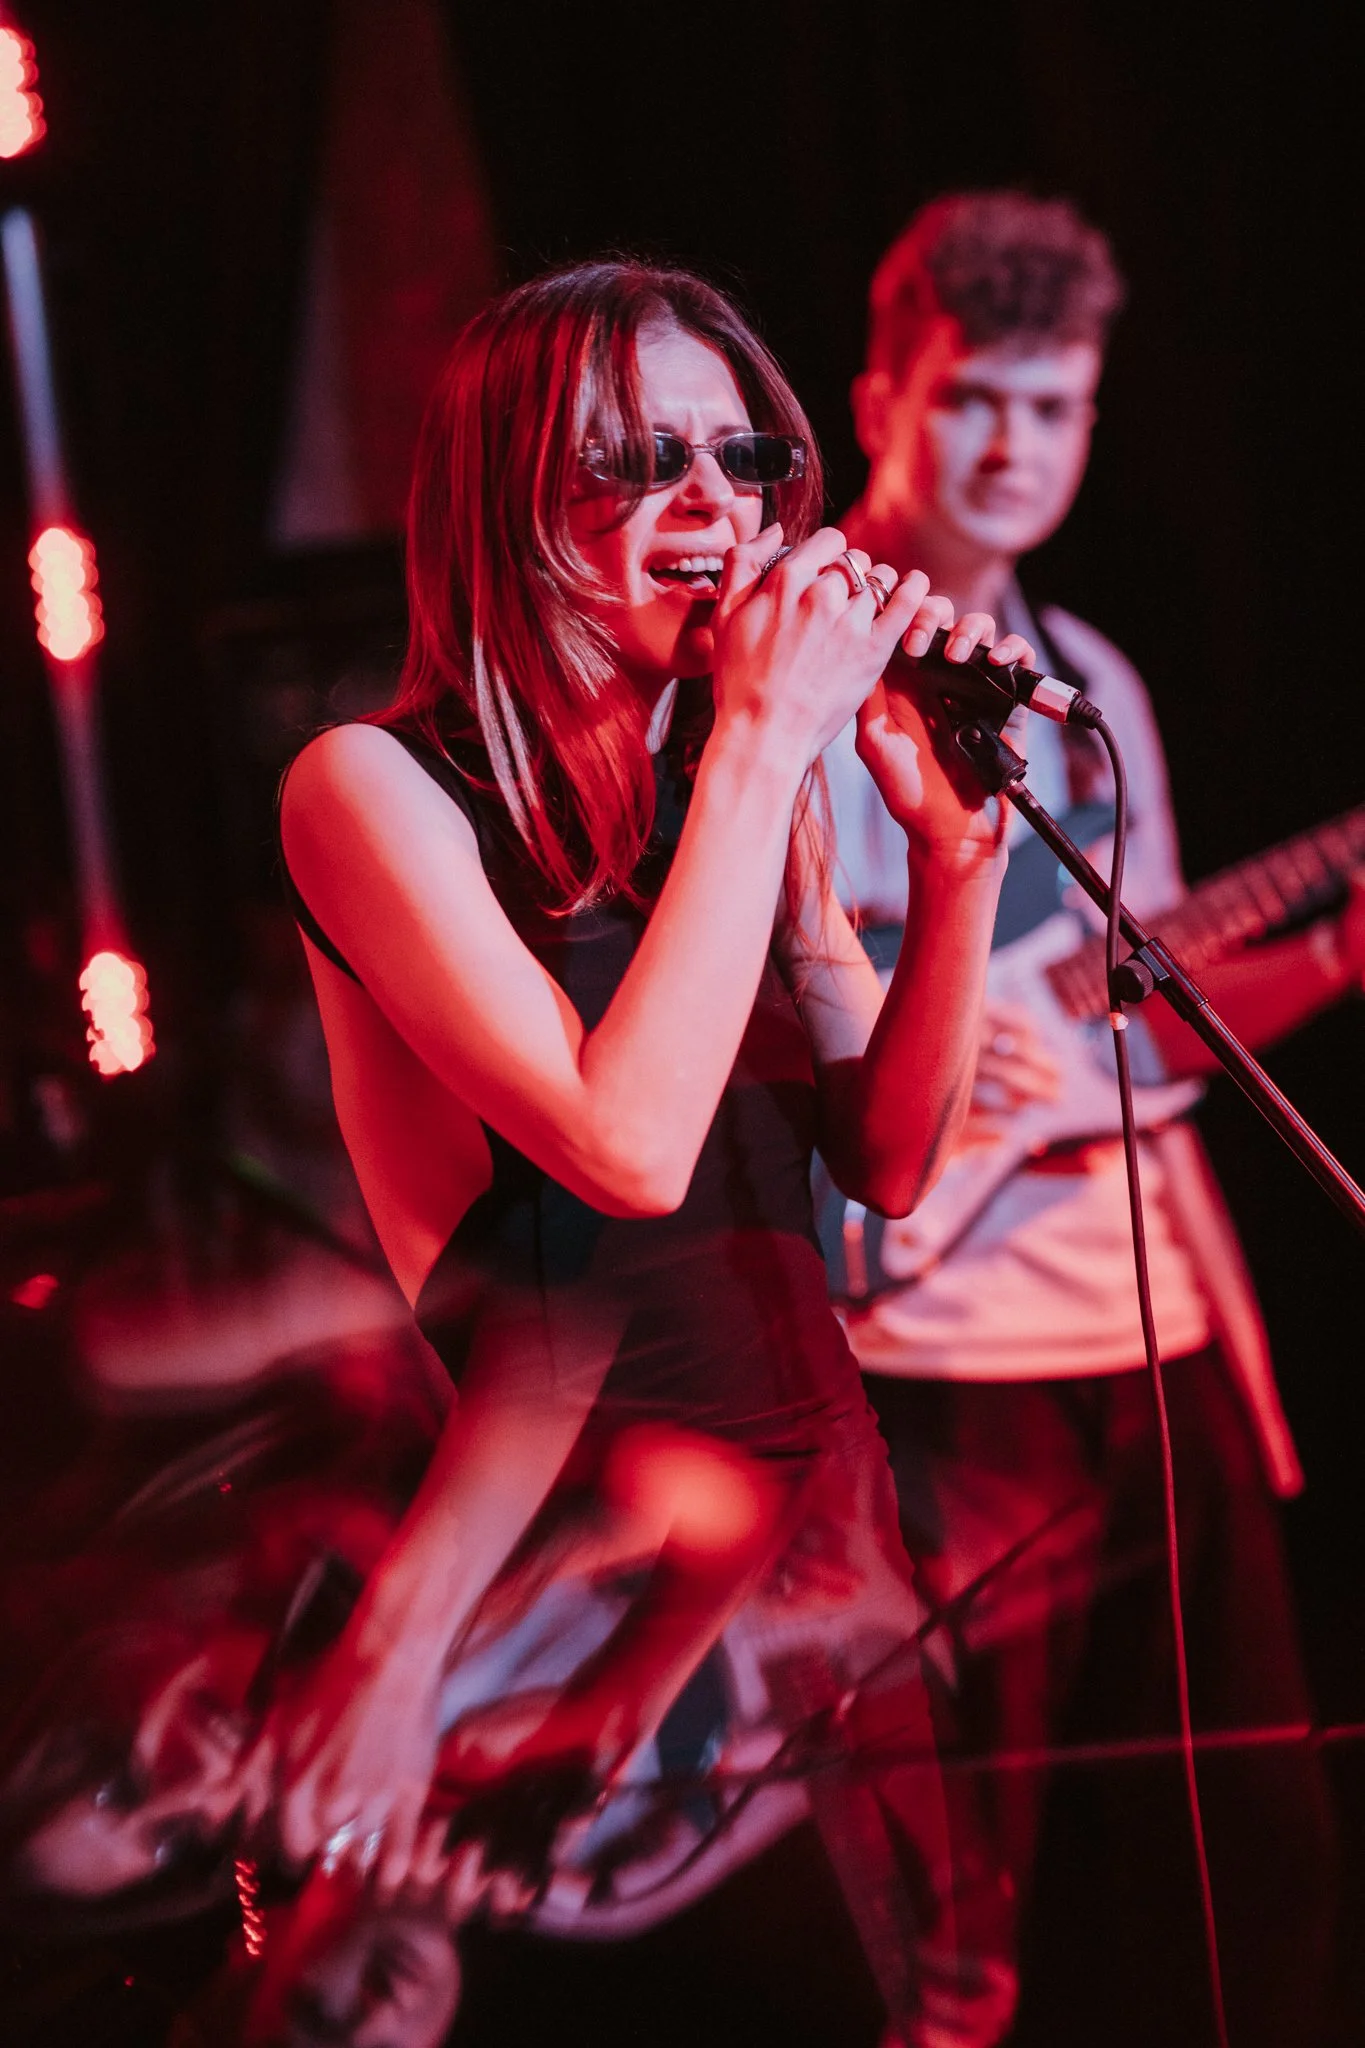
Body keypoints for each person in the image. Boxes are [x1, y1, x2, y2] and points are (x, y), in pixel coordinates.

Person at [270, 258, 1040, 2045]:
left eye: (743, 459)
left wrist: (955, 864)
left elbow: (891, 1156)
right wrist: (771, 745)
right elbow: (624, 1150)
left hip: (827, 1547)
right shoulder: (373, 791)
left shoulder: (732, 794)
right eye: (638, 465)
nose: (716, 507)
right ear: (510, 508)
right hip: (590, 1562)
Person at [824, 190, 1352, 2045]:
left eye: (1055, 411)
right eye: (976, 400)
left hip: (1152, 1316)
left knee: (1251, 1834)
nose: (1013, 447)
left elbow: (1147, 1026)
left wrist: (1339, 957)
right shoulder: (802, 688)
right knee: (960, 1899)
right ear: (883, 392)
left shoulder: (1094, 682)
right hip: (938, 1350)